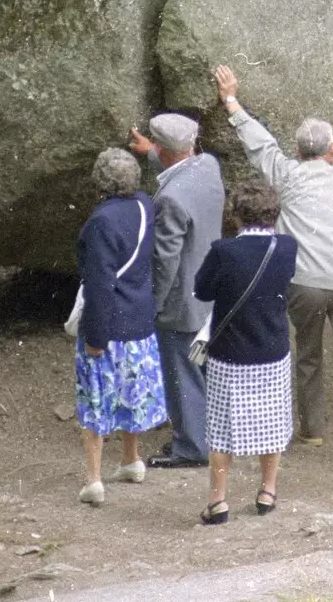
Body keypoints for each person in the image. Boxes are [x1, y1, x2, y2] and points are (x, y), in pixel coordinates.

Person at [215, 65, 333, 466]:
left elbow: (260, 145)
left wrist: (231, 100)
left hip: (303, 282)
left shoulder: (288, 175)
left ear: (298, 150)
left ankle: (312, 429)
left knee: (307, 354)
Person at [193, 180, 298, 524]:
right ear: (274, 213)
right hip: (272, 348)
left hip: (230, 352)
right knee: (273, 422)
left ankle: (218, 501)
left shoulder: (224, 251)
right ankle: (267, 491)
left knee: (222, 428)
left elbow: (202, 290)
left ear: (235, 214)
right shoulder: (286, 247)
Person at [127, 114, 224, 470]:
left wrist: (151, 303)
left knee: (182, 373)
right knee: (205, 367)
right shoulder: (210, 167)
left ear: (165, 150)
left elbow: (165, 260)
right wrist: (153, 150)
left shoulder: (169, 198)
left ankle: (191, 447)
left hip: (182, 300)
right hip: (211, 291)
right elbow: (179, 160)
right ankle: (212, 435)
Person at [73, 148, 167, 506]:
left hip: (109, 325)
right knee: (132, 391)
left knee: (95, 401)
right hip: (140, 319)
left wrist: (95, 337)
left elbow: (99, 286)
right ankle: (131, 460)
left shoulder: (101, 222)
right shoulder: (144, 204)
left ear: (100, 181)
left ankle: (94, 480)